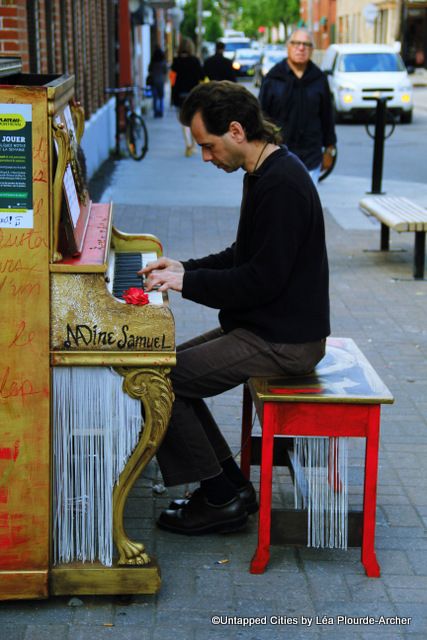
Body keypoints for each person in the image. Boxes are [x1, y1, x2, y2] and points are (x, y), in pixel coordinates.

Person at [140, 81, 330, 536]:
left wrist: (187, 283)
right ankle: (229, 487)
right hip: (267, 327)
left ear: (237, 130)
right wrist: (186, 267)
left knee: (159, 381)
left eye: (208, 146)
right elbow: (243, 253)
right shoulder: (264, 171)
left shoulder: (281, 184)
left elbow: (260, 280)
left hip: (286, 340)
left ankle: (220, 499)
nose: (205, 158)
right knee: (165, 371)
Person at [259, 28, 337, 183]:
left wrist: (330, 149)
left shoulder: (319, 79)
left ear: (312, 50)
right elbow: (261, 117)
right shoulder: (273, 78)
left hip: (311, 157)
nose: (301, 48)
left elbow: (327, 116)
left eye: (306, 44)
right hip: (278, 157)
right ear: (288, 46)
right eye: (296, 43)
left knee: (306, 206)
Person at [171, 38, 203, 156]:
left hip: (180, 95)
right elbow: (201, 76)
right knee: (193, 120)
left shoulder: (176, 62)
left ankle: (187, 144)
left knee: (183, 121)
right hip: (193, 94)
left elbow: (172, 81)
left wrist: (172, 97)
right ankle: (193, 145)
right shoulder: (195, 61)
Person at [148, 46, 168, 118]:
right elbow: (165, 71)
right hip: (161, 81)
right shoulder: (163, 62)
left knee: (155, 97)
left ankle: (156, 111)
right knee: (161, 97)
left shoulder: (153, 62)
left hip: (154, 81)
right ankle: (161, 111)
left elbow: (149, 70)